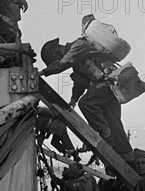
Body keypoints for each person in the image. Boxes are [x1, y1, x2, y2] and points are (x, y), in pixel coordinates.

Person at [38, 25, 134, 162]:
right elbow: (79, 83)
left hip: (109, 82)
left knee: (87, 103)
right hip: (105, 88)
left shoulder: (78, 46)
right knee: (112, 120)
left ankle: (106, 137)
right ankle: (126, 155)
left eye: (55, 60)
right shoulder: (76, 59)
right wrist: (73, 100)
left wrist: (40, 73)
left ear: (57, 53)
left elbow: (63, 63)